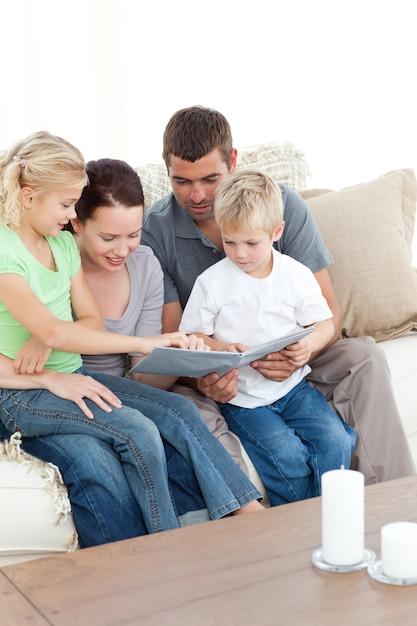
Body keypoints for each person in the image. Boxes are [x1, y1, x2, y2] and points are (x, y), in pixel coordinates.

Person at [0, 132, 263, 544]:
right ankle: (166, 546)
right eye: (67, 204)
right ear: (29, 197)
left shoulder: (61, 246)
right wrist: (141, 343)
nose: (71, 216)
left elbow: (89, 321)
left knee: (177, 409)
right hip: (21, 392)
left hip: (72, 374)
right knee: (137, 432)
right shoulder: (5, 250)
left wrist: (51, 341)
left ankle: (248, 511)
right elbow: (54, 328)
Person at [141, 105, 416, 485]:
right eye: (182, 181)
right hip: (226, 374)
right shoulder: (155, 232)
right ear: (166, 168)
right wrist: (202, 379)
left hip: (296, 358)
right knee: (184, 406)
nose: (198, 195)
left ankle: (392, 502)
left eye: (210, 178)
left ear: (233, 160)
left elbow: (328, 315)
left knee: (365, 356)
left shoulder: (281, 205)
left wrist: (301, 354)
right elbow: (173, 349)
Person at [179, 169, 356, 505]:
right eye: (229, 242)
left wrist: (309, 346)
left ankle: (328, 516)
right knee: (285, 456)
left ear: (276, 232)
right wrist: (220, 347)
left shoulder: (295, 274)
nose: (240, 253)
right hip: (244, 401)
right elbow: (192, 335)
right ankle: (298, 525)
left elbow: (324, 324)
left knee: (336, 441)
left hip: (294, 389)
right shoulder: (212, 282)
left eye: (251, 243)